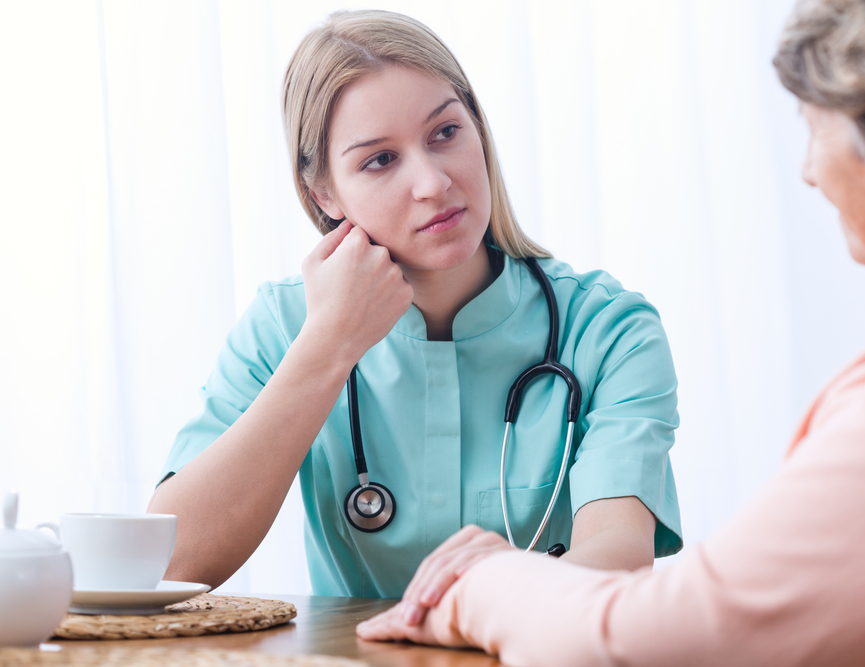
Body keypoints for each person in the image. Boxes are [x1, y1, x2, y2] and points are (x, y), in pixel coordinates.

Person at [355, 0, 865, 664]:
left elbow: (654, 641)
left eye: (816, 129)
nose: (809, 171)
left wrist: (481, 581)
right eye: (377, 160)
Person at [147, 9, 683, 601]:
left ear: (478, 129)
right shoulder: (284, 328)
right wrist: (328, 346)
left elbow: (620, 560)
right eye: (380, 159)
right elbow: (169, 564)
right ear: (323, 192)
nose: (432, 183)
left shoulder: (607, 330)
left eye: (445, 133)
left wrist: (493, 591)